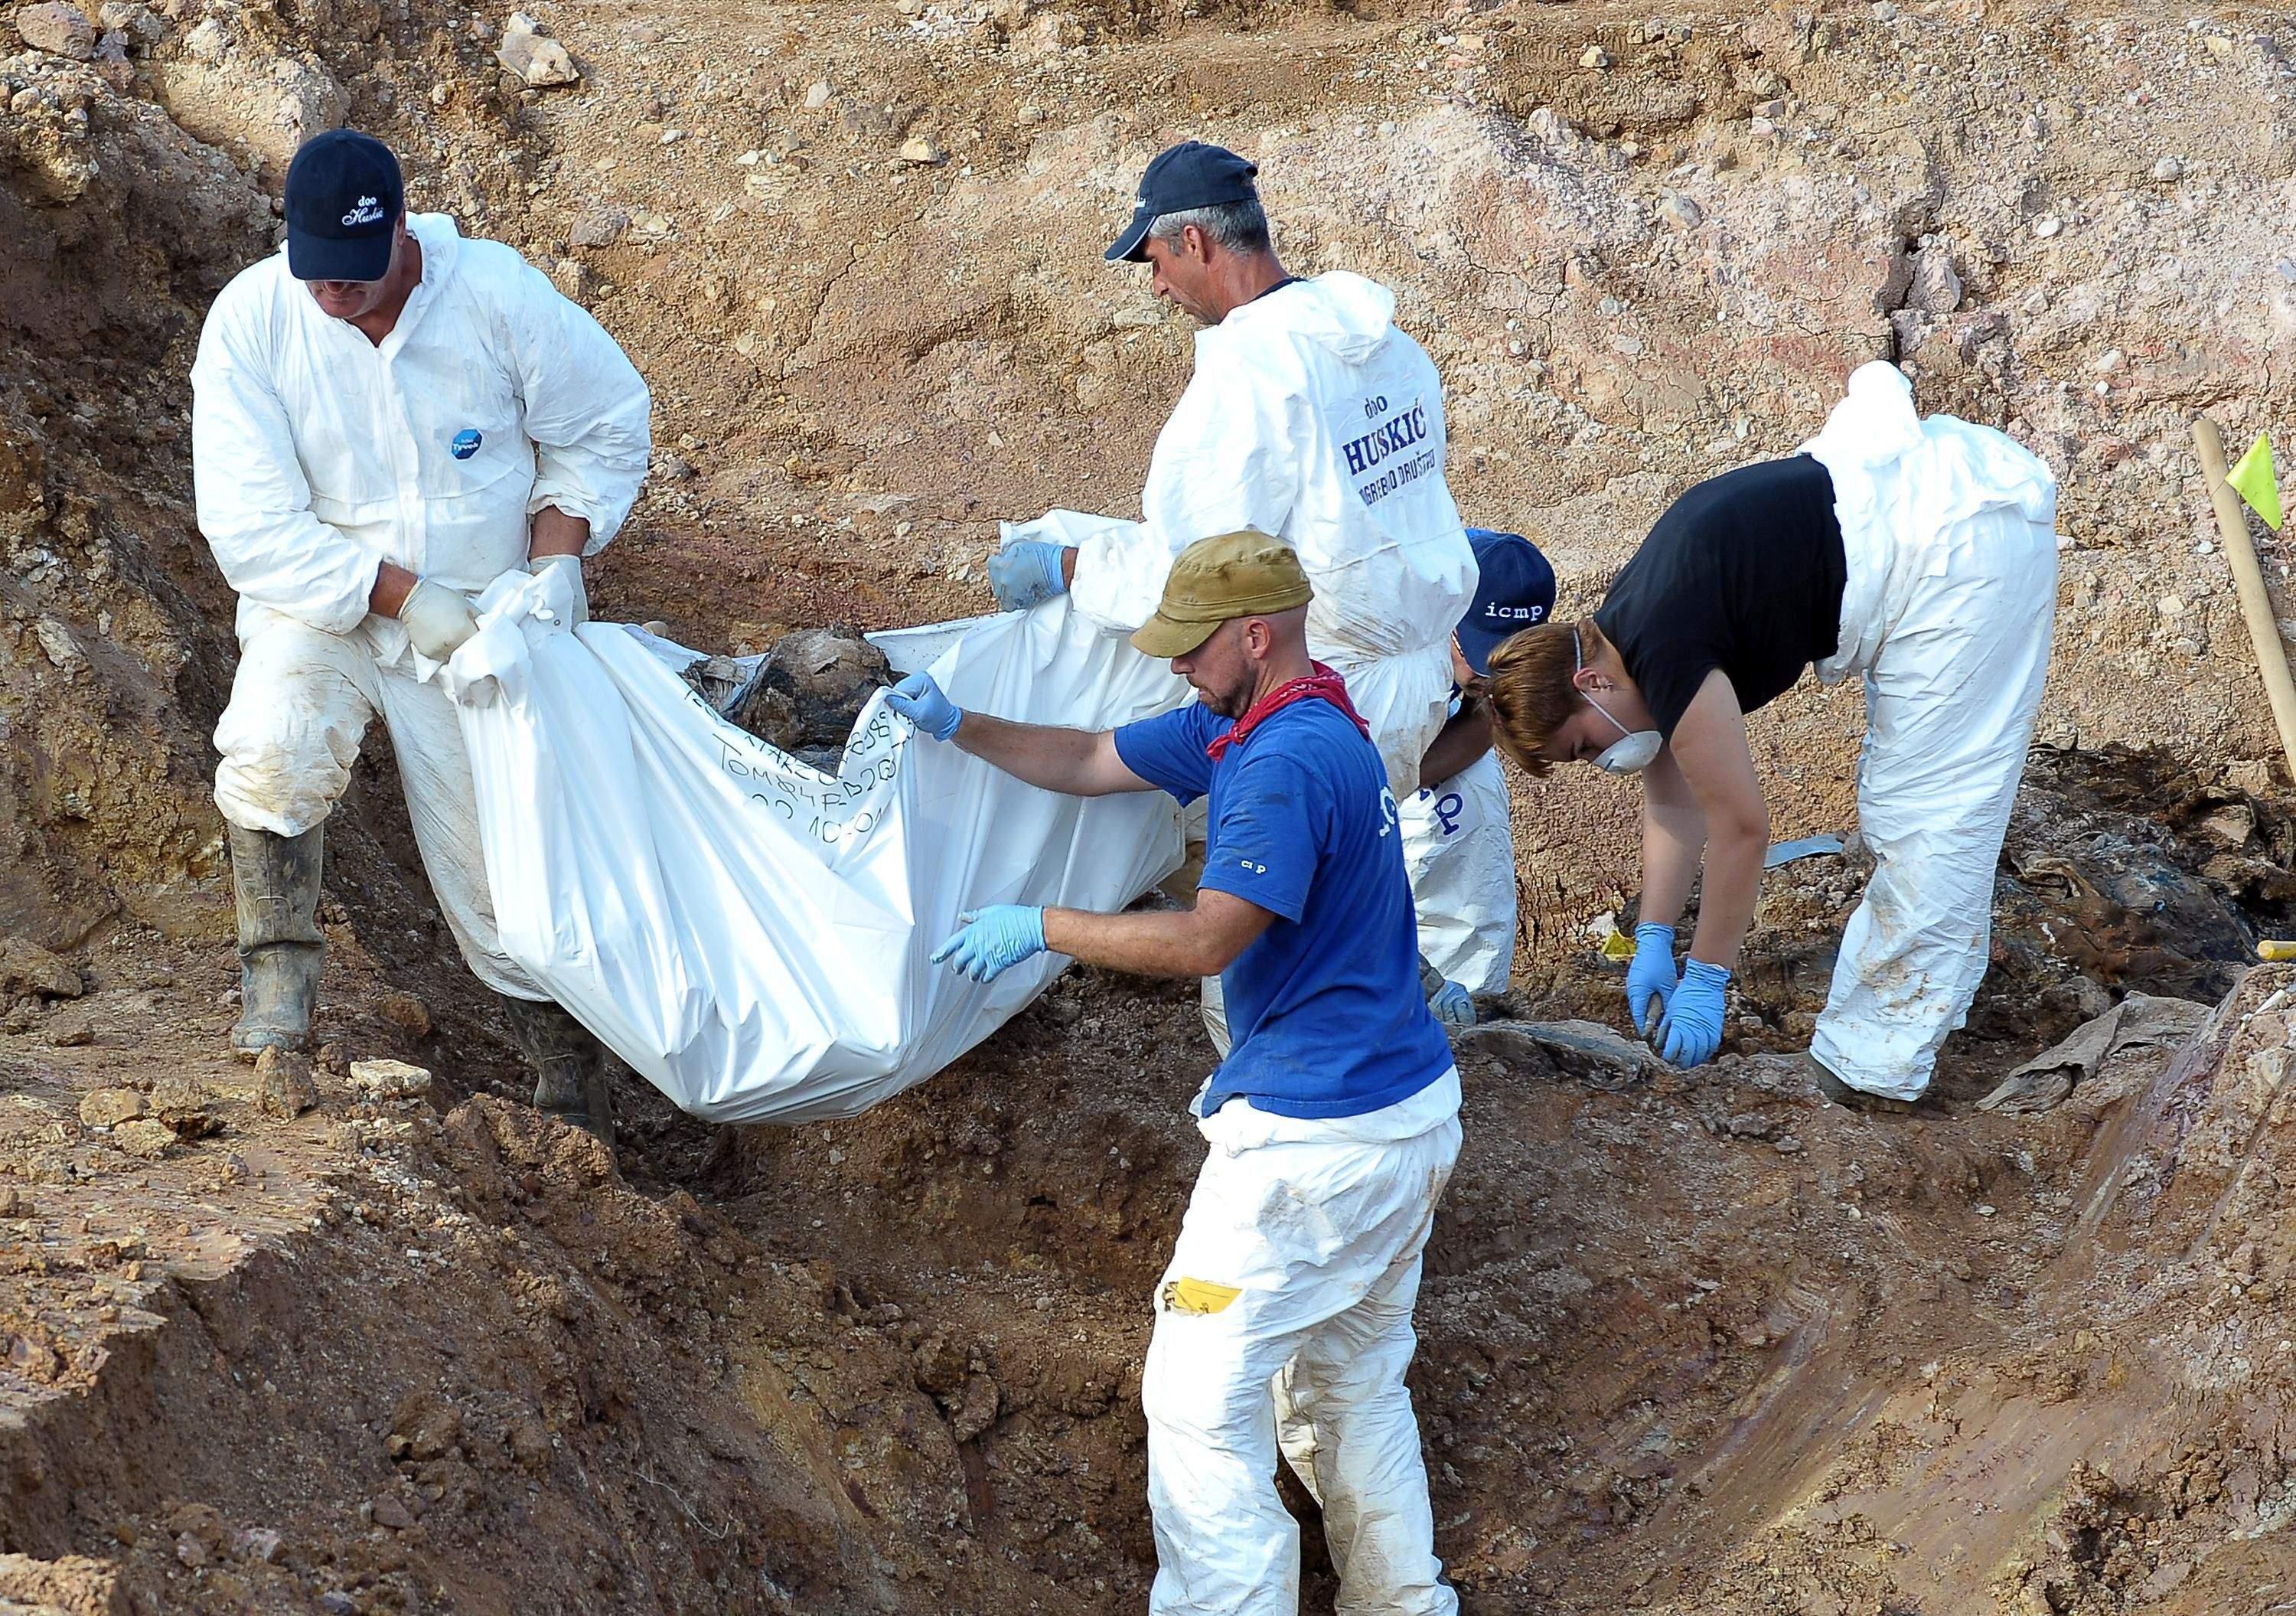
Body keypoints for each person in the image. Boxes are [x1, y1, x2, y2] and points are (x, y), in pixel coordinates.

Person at [890, 532, 1463, 1615]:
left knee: (1198, 1395)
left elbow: (1210, 940)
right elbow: (1092, 758)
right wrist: (960, 725)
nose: (1172, 666)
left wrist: (1042, 925)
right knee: (1351, 1379)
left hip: (1314, 1143)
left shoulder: (1284, 763)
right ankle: (1405, 1601)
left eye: (1190, 648)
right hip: (1409, 1114)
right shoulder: (1262, 718)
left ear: (1257, 634)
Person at [191, 129, 651, 1144]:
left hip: (483, 621)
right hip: (323, 601)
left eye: (353, 276)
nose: (333, 296)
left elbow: (606, 421)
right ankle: (277, 990)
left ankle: (570, 1088)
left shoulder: (495, 297)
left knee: (506, 872)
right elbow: (251, 528)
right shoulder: (256, 322)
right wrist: (398, 593)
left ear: (401, 232)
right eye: (315, 275)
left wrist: (556, 559)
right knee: (272, 746)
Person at [1479, 362, 2057, 1112]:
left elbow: (1743, 829)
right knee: (1914, 806)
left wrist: (1708, 979)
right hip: (1898, 522)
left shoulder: (1666, 650)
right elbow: (1675, 805)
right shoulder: (1623, 637)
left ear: (1589, 685)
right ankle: (1896, 1031)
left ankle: (1871, 1070)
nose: (1600, 760)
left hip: (1957, 543)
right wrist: (1655, 936)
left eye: (1582, 746)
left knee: (1926, 812)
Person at [984, 140, 1476, 798]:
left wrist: (1070, 568)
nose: (1157, 286)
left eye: (1154, 263)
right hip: (1416, 685)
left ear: (1193, 240)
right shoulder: (1383, 342)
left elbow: (1198, 568)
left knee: (1297, 882)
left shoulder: (1252, 372)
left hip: (1326, 695)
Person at [1406, 528, 1556, 1011]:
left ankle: (1474, 1016)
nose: (1489, 676)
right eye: (1479, 655)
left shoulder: (1481, 671)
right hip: (1337, 739)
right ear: (1445, 617)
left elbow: (1483, 720)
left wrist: (1406, 779)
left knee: (1469, 870)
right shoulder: (1372, 636)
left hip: (1433, 737)